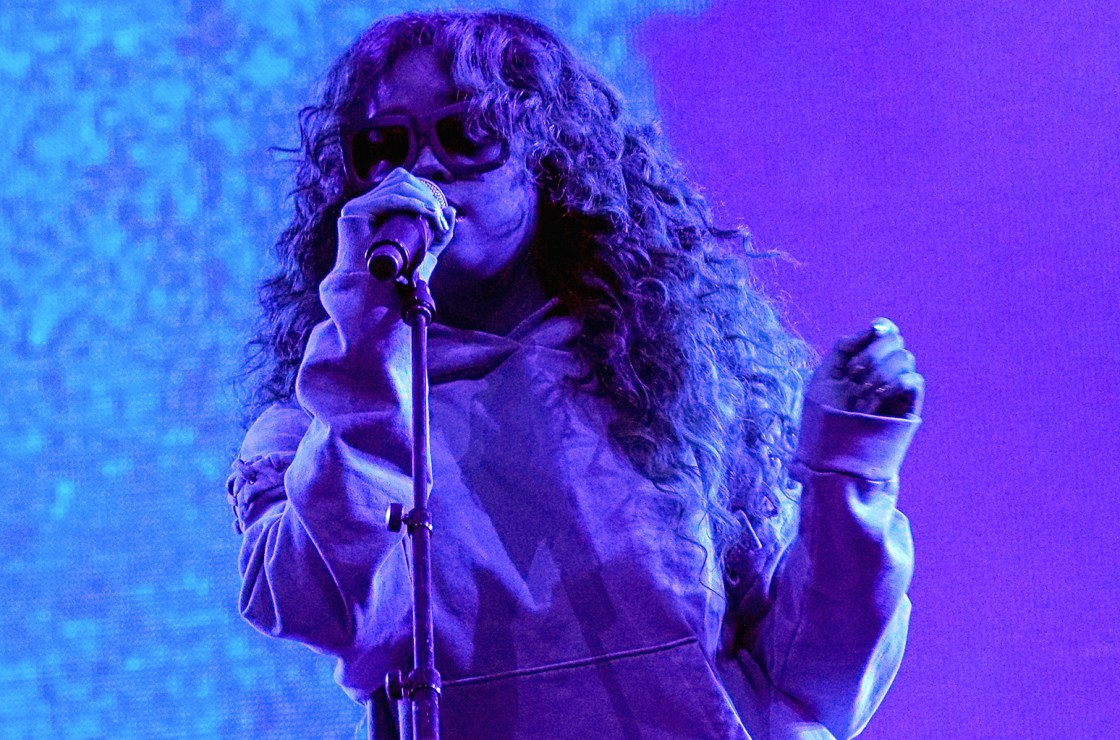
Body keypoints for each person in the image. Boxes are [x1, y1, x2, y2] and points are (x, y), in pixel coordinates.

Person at [227, 9, 924, 739]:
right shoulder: (315, 431)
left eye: (466, 133)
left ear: (546, 158)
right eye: (383, 145)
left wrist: (848, 474)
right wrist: (366, 330)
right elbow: (329, 610)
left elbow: (811, 685)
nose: (422, 168)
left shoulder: (680, 387)